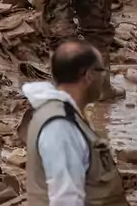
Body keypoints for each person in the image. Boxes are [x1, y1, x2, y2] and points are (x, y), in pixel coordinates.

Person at [22, 39, 127, 206]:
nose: (104, 77)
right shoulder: (60, 126)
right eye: (102, 70)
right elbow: (65, 199)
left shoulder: (66, 113)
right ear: (89, 75)